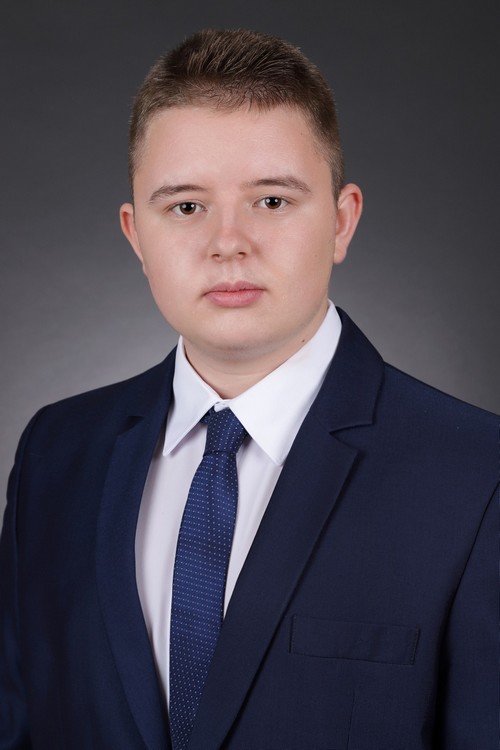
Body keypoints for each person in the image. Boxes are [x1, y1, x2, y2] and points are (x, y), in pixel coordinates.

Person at [0, 28, 498, 750]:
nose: (228, 242)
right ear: (136, 236)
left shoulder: (477, 474)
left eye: (271, 200)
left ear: (342, 221)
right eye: (186, 207)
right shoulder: (57, 453)